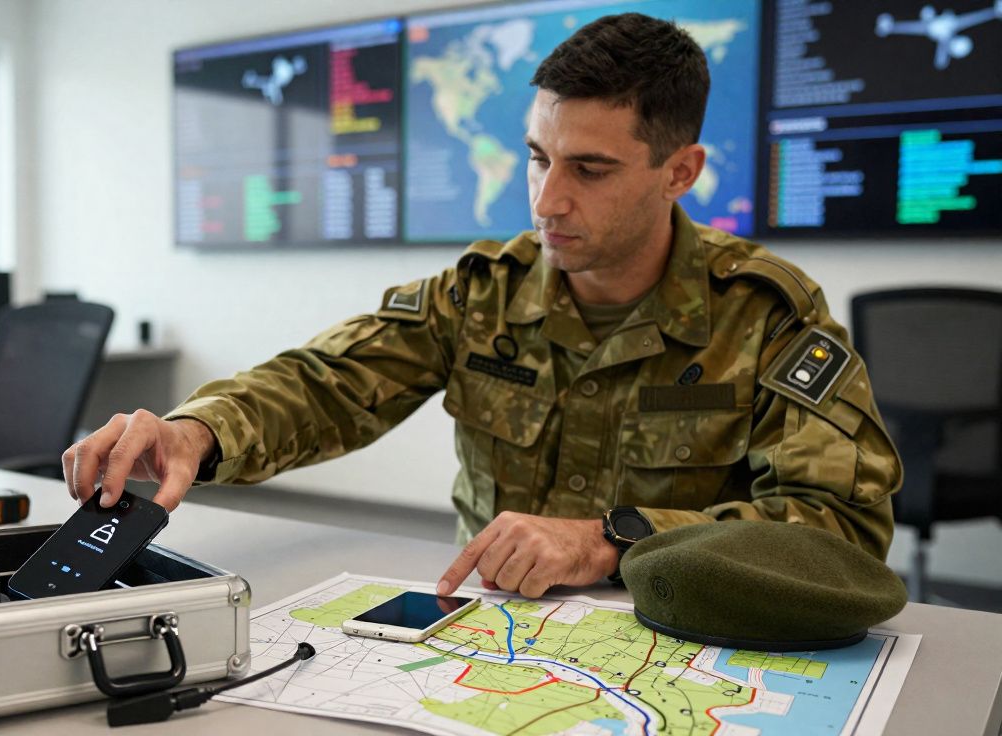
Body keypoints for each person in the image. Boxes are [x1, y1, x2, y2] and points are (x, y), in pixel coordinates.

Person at [62, 13, 901, 600]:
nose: (547, 200)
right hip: (494, 624)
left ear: (680, 173)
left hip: (683, 642)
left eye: (590, 170)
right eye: (538, 158)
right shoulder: (481, 293)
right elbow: (328, 382)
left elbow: (839, 531)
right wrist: (196, 430)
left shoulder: (766, 314)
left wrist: (613, 539)